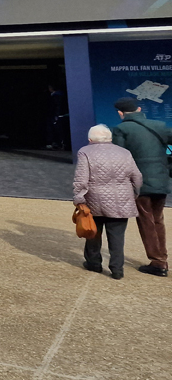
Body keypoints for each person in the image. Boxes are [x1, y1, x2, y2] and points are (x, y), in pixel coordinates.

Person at [112, 97, 172, 277]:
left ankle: (158, 262)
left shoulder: (121, 129)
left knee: (146, 220)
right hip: (161, 178)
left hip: (139, 182)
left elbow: (119, 159)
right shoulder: (160, 125)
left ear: (120, 113)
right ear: (139, 109)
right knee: (157, 218)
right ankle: (161, 258)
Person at [74, 124, 142, 280]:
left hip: (94, 200)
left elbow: (81, 179)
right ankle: (117, 269)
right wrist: (134, 193)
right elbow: (137, 177)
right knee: (117, 236)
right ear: (110, 138)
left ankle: (94, 263)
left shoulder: (85, 152)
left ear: (90, 139)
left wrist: (79, 198)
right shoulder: (125, 152)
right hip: (122, 199)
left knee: (92, 232)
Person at [45, 84, 69, 150]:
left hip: (57, 116)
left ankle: (60, 144)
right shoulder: (61, 95)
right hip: (60, 115)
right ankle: (60, 144)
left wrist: (56, 115)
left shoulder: (56, 96)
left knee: (57, 130)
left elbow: (57, 106)